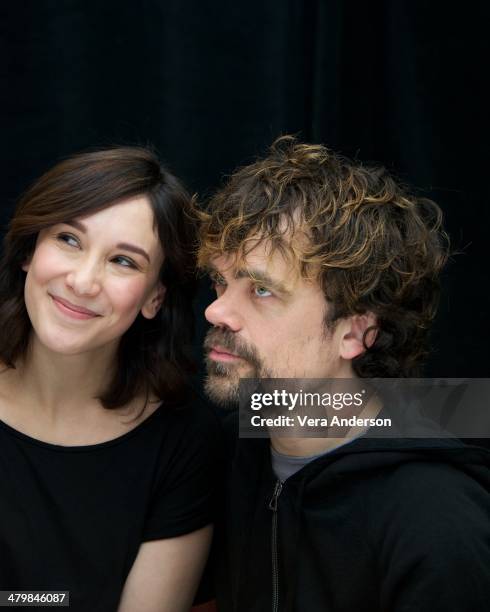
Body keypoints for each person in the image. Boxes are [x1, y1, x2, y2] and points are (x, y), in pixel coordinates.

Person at [196, 136, 490, 611]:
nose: (215, 311)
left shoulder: (437, 522)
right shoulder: (224, 459)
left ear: (354, 333)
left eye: (262, 291)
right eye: (220, 283)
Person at [0, 146, 220, 611]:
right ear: (28, 252)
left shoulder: (185, 439)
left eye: (124, 261)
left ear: (155, 298)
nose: (83, 281)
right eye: (68, 239)